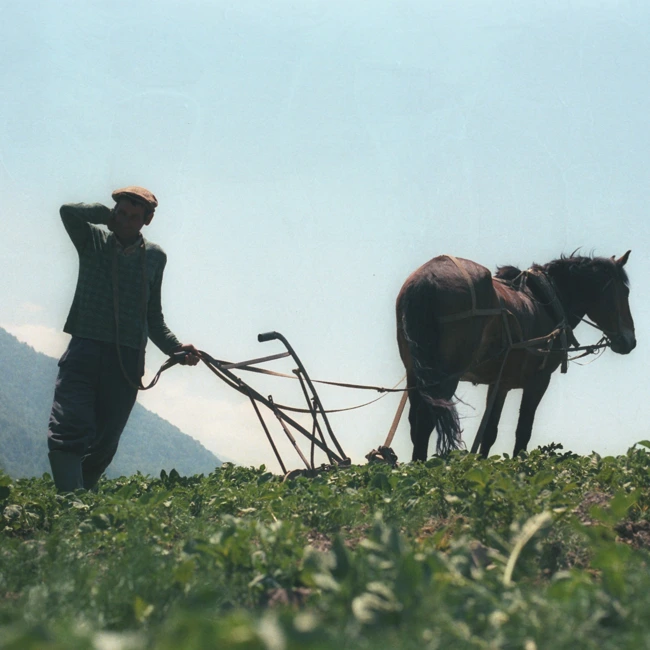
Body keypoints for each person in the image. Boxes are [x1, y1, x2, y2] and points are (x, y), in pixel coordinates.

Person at [47, 186, 199, 491]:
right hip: (84, 349)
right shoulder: (92, 239)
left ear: (147, 220)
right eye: (121, 213)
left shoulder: (155, 257)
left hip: (128, 361)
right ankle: (70, 506)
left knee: (106, 440)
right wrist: (105, 216)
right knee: (68, 426)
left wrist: (175, 348)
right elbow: (67, 211)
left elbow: (153, 318)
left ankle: (84, 497)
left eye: (134, 216)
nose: (126, 220)